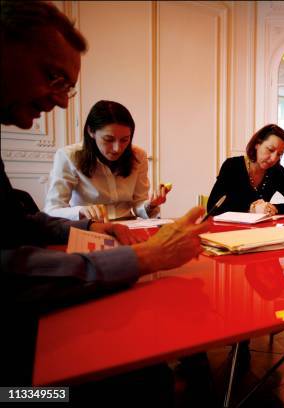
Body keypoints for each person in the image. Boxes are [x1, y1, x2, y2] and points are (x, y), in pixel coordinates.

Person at [0, 1, 209, 396]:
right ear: (91, 136)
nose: (61, 101)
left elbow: (18, 221)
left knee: (148, 347)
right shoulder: (69, 157)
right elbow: (34, 228)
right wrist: (142, 256)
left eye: (68, 85)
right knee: (138, 377)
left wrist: (110, 222)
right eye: (53, 76)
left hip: (114, 238)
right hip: (18, 376)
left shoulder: (138, 158)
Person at [44, 100, 170, 222]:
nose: (117, 149)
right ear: (91, 131)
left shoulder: (138, 156)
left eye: (125, 140)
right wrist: (81, 211)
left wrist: (151, 204)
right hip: (91, 227)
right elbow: (52, 210)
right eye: (108, 139)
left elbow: (138, 205)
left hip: (129, 224)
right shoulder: (68, 156)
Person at [207, 124, 284, 215]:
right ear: (257, 144)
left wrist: (272, 208)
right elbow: (213, 207)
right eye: (270, 150)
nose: (274, 158)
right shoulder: (232, 165)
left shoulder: (277, 171)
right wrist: (251, 208)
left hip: (261, 231)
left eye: (279, 154)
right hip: (230, 231)